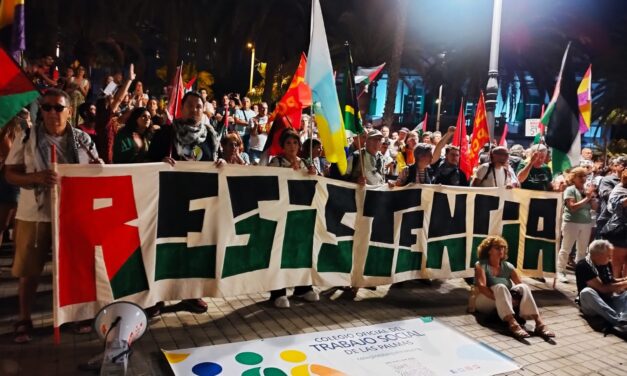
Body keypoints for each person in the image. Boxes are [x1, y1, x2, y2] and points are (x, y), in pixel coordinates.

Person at [4, 89, 100, 343]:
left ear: (70, 111)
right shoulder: (26, 137)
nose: (52, 113)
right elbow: (10, 173)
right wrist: (34, 177)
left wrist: (95, 169)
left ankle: (77, 315)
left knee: (72, 268)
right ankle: (24, 319)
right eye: (46, 108)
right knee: (30, 271)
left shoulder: (82, 140)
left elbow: (98, 171)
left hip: (71, 214)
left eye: (58, 108)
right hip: (33, 215)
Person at [146, 91, 220, 315]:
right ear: (182, 107)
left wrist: (221, 162)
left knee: (194, 250)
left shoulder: (210, 135)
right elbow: (147, 162)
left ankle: (190, 294)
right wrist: (160, 162)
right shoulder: (167, 133)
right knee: (166, 249)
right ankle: (157, 298)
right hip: (170, 200)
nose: (194, 109)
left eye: (199, 106)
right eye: (190, 105)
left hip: (199, 202)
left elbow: (215, 159)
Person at [267, 129, 317, 308]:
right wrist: (287, 172)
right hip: (281, 214)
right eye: (288, 143)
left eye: (295, 143)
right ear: (283, 146)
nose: (292, 146)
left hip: (301, 214)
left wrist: (313, 175)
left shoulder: (305, 163)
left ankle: (303, 287)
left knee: (301, 250)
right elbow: (269, 183)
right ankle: (277, 292)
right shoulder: (276, 162)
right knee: (280, 252)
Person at [474, 236, 554, 339]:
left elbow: (519, 285)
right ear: (488, 250)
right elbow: (482, 287)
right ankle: (512, 323)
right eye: (497, 247)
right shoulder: (481, 265)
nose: (501, 250)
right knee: (500, 286)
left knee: (524, 287)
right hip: (485, 300)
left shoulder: (508, 266)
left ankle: (539, 323)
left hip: (504, 302)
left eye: (503, 247)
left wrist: (514, 299)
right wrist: (503, 298)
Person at [557, 167, 598, 283]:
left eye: (585, 176)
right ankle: (560, 271)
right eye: (580, 176)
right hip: (571, 222)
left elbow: (595, 208)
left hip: (586, 223)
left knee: (582, 250)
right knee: (566, 248)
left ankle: (579, 273)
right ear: (573, 178)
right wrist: (587, 198)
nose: (583, 179)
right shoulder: (570, 190)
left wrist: (592, 198)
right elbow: (572, 207)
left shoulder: (586, 191)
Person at [576, 240, 627, 330]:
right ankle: (618, 322)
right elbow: (603, 289)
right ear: (597, 255)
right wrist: (625, 283)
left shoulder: (604, 263)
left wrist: (624, 279)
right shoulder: (583, 265)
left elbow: (611, 281)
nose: (610, 258)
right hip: (593, 305)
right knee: (586, 292)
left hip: (609, 300)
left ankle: (623, 319)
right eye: (608, 256)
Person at [597, 170, 627, 279]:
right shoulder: (619, 190)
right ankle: (617, 291)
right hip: (621, 231)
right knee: (617, 264)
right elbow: (614, 207)